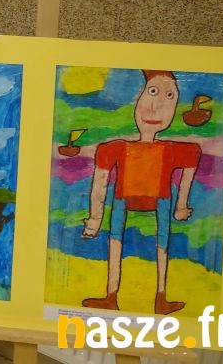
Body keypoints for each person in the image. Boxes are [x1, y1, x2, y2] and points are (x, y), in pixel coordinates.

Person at [81, 70, 200, 315]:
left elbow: (192, 159)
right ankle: (111, 295)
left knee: (162, 244)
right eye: (153, 92)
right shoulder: (115, 148)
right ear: (139, 98)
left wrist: (181, 204)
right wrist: (94, 219)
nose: (156, 106)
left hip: (161, 199)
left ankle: (161, 297)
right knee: (115, 240)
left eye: (169, 96)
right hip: (123, 199)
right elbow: (99, 183)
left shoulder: (171, 150)